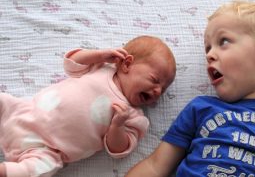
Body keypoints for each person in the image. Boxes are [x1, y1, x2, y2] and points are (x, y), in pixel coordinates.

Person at [125, 1, 255, 177]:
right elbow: (156, 165)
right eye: (208, 48)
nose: (209, 55)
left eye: (223, 41)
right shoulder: (201, 109)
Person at [0, 35, 176, 177]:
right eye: (154, 80)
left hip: (48, 149)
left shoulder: (133, 117)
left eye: (163, 89)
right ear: (127, 64)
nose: (157, 91)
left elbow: (119, 149)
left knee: (39, 169)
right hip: (23, 111)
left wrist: (117, 126)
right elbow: (71, 63)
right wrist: (98, 55)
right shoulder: (101, 68)